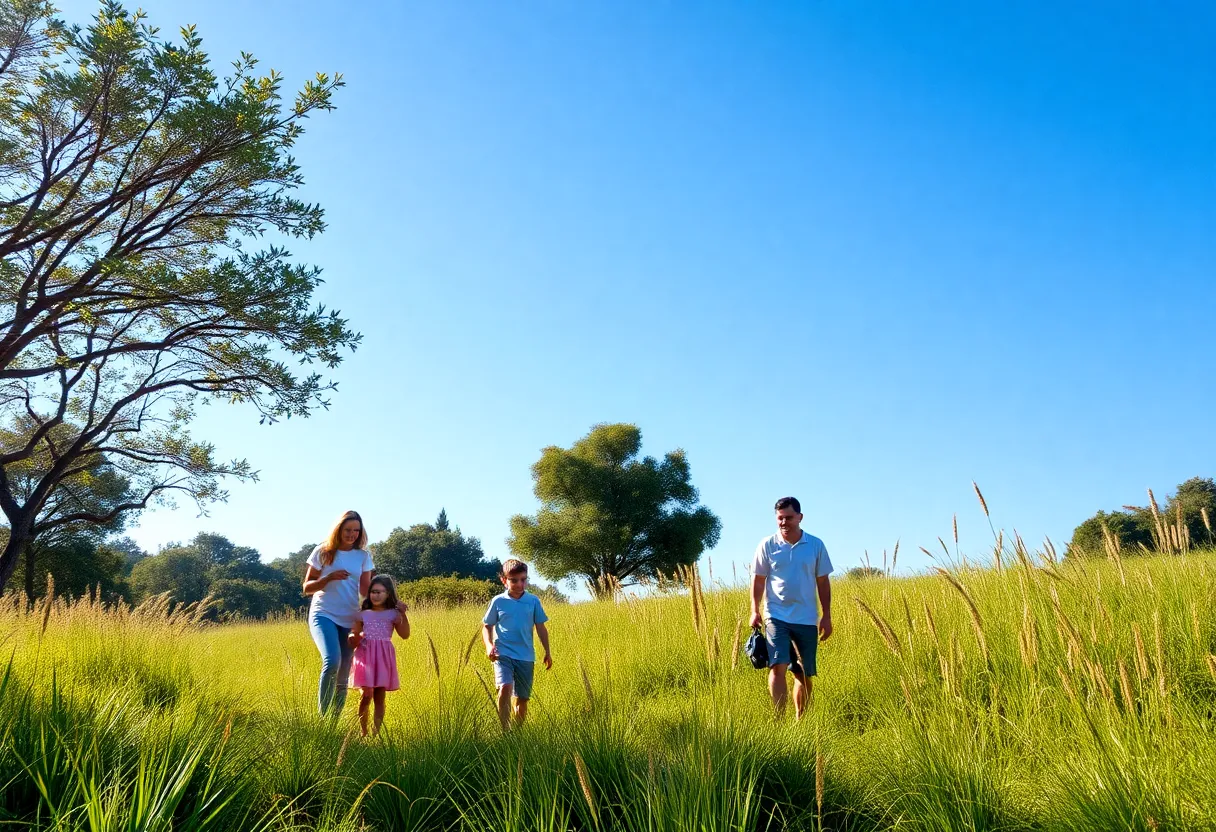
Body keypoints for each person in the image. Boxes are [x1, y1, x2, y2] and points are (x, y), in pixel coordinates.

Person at [749, 496, 833, 719]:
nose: (784, 522)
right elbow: (758, 580)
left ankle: (800, 719)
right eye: (779, 518)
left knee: (803, 672)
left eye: (788, 518)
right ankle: (778, 721)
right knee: (778, 664)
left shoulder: (815, 545)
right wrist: (754, 610)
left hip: (807, 618)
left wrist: (827, 616)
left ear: (800, 517)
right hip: (776, 615)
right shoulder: (767, 544)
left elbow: (823, 582)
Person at [302, 510, 381, 716]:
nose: (352, 534)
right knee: (332, 660)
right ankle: (323, 719)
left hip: (350, 618)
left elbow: (365, 591)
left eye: (356, 530)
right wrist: (328, 578)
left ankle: (333, 722)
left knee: (344, 669)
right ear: (338, 529)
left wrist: (388, 602)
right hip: (323, 614)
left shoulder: (363, 556)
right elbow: (307, 588)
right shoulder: (323, 551)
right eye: (348, 530)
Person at [482, 559, 552, 732]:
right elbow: (487, 626)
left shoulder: (533, 601)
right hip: (502, 653)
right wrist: (489, 646)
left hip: (526, 656)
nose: (520, 584)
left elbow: (541, 628)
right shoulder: (498, 601)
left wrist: (547, 651)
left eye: (523, 579)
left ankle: (517, 735)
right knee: (505, 687)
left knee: (522, 698)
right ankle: (504, 731)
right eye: (514, 580)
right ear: (504, 580)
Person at [348, 574, 410, 736]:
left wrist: (403, 614)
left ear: (388, 593)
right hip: (365, 655)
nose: (376, 595)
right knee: (366, 694)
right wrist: (353, 637)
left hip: (383, 656)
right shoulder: (361, 614)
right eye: (373, 592)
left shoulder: (393, 614)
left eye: (380, 592)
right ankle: (363, 732)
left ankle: (376, 733)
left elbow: (405, 634)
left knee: (379, 697)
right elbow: (353, 635)